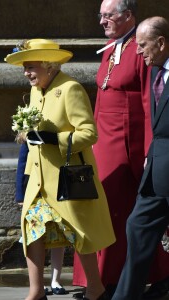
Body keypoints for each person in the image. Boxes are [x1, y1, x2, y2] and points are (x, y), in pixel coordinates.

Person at [5, 38, 116, 300]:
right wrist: (25, 134)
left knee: (78, 232)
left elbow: (89, 134)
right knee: (32, 230)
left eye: (30, 66)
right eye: (24, 67)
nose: (26, 73)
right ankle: (35, 292)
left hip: (66, 178)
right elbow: (33, 127)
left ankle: (95, 287)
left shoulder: (70, 88)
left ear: (48, 65)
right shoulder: (35, 91)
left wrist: (57, 139)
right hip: (39, 180)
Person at [72, 1, 169, 298]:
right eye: (100, 15)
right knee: (100, 211)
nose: (102, 21)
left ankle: (118, 282)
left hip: (130, 146)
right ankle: (98, 280)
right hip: (103, 142)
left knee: (122, 214)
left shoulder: (143, 49)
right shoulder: (112, 48)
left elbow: (148, 103)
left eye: (108, 15)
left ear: (127, 16)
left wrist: (147, 152)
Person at [112, 16, 169, 300]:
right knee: (137, 226)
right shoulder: (157, 72)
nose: (138, 51)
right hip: (157, 170)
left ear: (161, 43)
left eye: (143, 45)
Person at [15, 142, 66, 296]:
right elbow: (22, 165)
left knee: (59, 235)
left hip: (57, 189)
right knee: (36, 236)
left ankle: (55, 280)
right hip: (35, 192)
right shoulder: (29, 137)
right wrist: (20, 194)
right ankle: (39, 284)